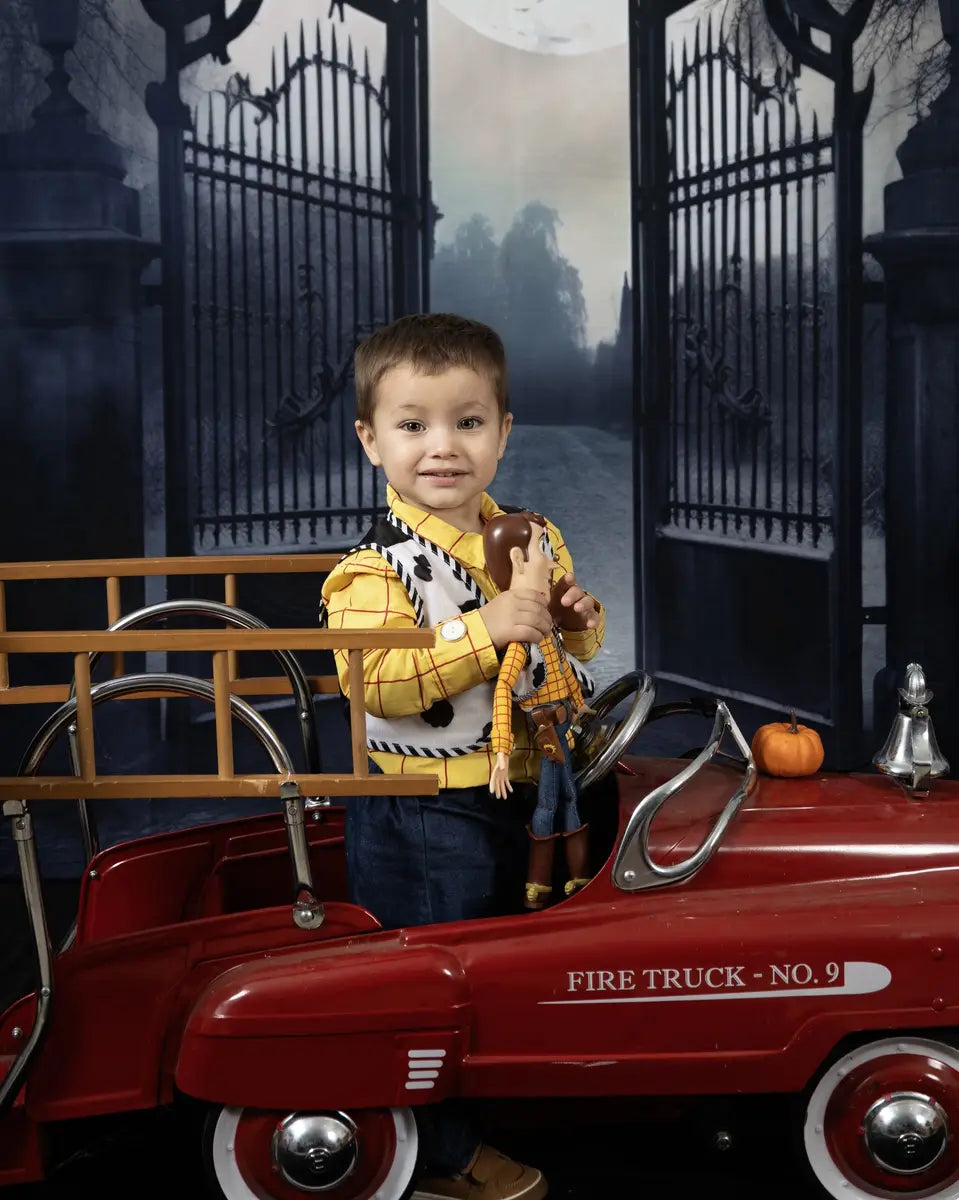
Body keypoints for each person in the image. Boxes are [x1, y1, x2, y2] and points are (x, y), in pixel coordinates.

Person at [320, 312, 605, 1200]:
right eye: (413, 425)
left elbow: (571, 650)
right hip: (422, 806)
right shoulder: (370, 570)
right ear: (371, 440)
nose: (442, 448)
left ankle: (484, 1100)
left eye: (468, 422)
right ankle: (438, 1154)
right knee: (429, 976)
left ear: (502, 431)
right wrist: (487, 628)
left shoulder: (531, 536)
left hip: (522, 789)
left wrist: (575, 620)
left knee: (497, 966)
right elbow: (381, 683)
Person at [484, 511, 594, 910]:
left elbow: (565, 673)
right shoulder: (519, 643)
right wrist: (500, 753)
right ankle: (539, 884)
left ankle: (577, 877)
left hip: (565, 726)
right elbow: (502, 692)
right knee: (551, 802)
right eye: (541, 552)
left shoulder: (547, 627)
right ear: (516, 562)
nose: (551, 562)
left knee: (571, 798)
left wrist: (579, 708)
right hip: (546, 734)